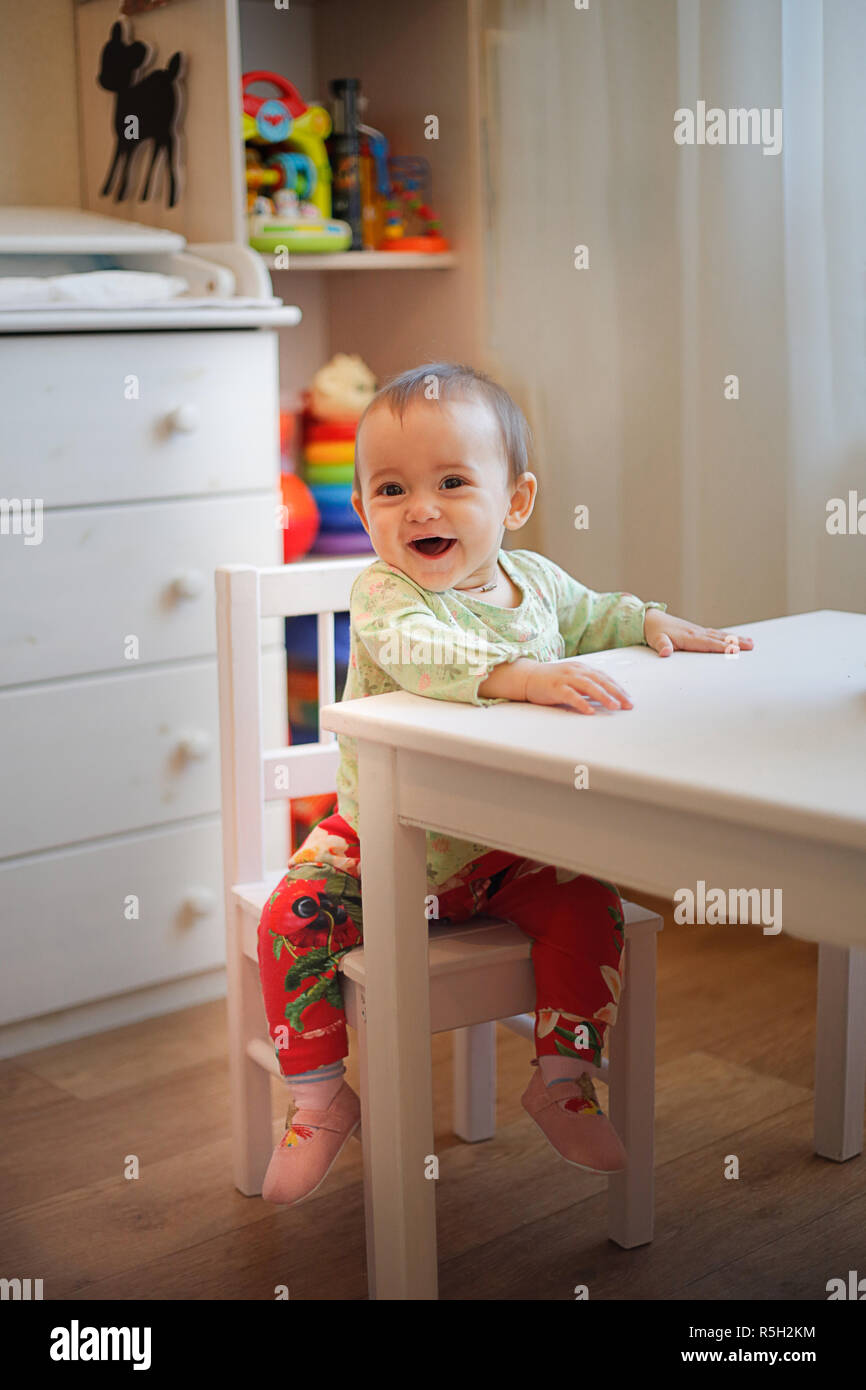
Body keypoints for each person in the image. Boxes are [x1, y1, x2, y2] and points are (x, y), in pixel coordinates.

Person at [257, 361, 753, 1205]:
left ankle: (561, 1077)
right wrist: (517, 675)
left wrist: (650, 621)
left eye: (452, 481)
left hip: (508, 849)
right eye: (390, 488)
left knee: (591, 904)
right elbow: (424, 653)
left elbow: (600, 612)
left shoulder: (541, 586)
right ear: (365, 507)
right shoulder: (385, 592)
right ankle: (317, 1097)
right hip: (380, 845)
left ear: (515, 500)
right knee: (287, 919)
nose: (421, 507)